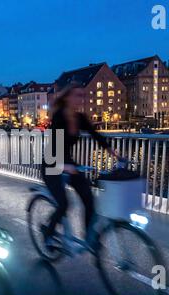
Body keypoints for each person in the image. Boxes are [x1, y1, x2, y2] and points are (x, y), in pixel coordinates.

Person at [42, 83, 120, 253]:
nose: (80, 99)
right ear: (68, 97)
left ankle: (88, 237)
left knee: (88, 198)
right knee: (64, 204)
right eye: (77, 95)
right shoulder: (59, 117)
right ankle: (48, 234)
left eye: (82, 95)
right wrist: (63, 165)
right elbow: (55, 144)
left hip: (69, 163)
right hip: (52, 164)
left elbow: (96, 135)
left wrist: (112, 152)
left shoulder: (80, 118)